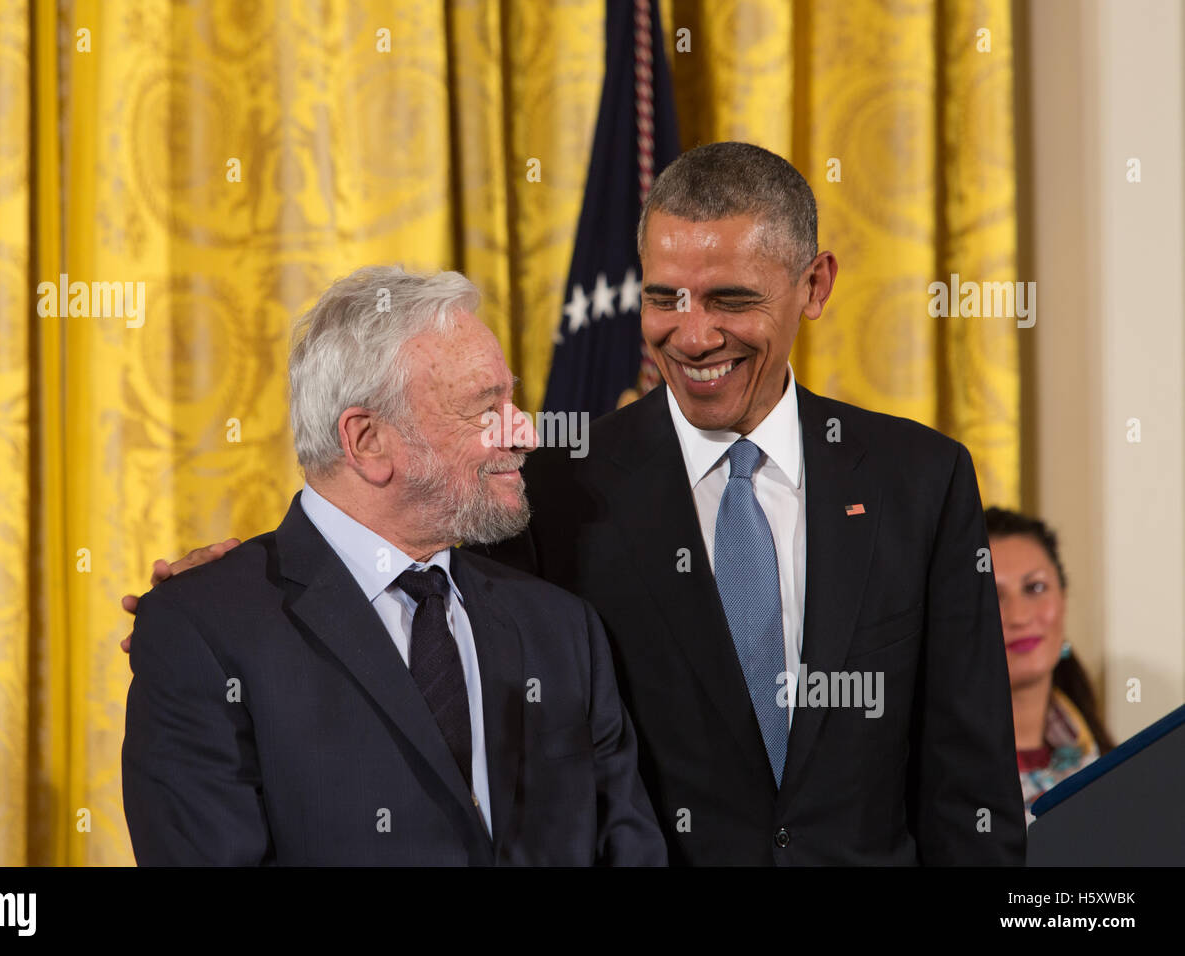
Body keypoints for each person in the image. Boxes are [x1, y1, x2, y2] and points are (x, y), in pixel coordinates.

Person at [126, 143, 1026, 865]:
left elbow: (967, 780)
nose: (693, 332)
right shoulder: (556, 487)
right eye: (665, 297)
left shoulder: (920, 479)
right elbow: (389, 554)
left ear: (815, 286)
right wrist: (239, 582)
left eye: (731, 299)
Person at [121, 266, 666, 866]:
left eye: (511, 399)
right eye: (486, 409)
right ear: (368, 441)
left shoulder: (561, 629)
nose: (525, 433)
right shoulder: (203, 631)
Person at [985, 507, 1114, 825]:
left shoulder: (1106, 758)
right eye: (991, 596)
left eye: (1035, 588)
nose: (1019, 617)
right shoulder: (932, 774)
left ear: (1063, 598)